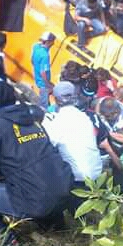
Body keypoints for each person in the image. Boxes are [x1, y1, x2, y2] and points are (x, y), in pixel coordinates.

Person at [0, 80, 74, 241]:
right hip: (64, 191)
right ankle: (55, 226)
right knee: (36, 177)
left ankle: (6, 242)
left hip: (36, 201)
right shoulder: (33, 120)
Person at [42, 81, 103, 211]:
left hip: (78, 179)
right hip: (97, 173)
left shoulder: (57, 122)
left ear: (57, 100)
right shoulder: (84, 117)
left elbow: (47, 147)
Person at [31, 32, 56, 108]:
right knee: (44, 105)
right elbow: (43, 72)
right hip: (43, 83)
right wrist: (48, 84)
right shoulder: (45, 55)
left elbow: (32, 60)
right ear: (48, 42)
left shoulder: (36, 46)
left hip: (38, 79)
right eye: (52, 41)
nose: (53, 43)